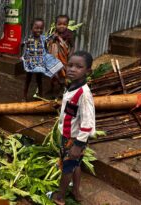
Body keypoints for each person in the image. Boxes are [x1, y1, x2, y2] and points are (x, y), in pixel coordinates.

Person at [52, 51, 95, 205]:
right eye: (70, 65)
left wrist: (78, 144)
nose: (72, 69)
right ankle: (76, 192)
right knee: (75, 164)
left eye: (78, 67)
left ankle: (60, 197)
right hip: (68, 136)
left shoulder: (84, 94)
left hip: (74, 139)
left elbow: (88, 122)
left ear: (88, 71)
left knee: (67, 167)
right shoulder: (72, 86)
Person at [21, 18, 63, 101]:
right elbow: (22, 45)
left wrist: (55, 36)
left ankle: (40, 96)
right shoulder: (28, 38)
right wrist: (21, 55)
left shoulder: (43, 38)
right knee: (28, 80)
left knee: (39, 80)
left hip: (40, 62)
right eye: (36, 28)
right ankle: (24, 96)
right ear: (31, 28)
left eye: (41, 28)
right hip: (31, 62)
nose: (39, 30)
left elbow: (50, 39)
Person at [48, 14, 75, 87]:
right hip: (54, 58)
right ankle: (52, 89)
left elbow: (72, 46)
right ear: (55, 24)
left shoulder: (69, 34)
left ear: (67, 25)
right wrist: (54, 38)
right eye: (59, 24)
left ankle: (62, 89)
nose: (62, 26)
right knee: (53, 74)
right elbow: (49, 44)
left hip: (64, 58)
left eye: (64, 24)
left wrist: (70, 55)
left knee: (63, 74)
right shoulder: (53, 33)